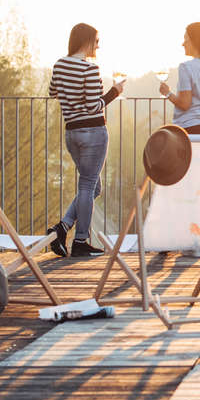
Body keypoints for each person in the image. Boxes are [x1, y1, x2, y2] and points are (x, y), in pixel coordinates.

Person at [46, 22, 124, 257]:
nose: (98, 46)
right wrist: (114, 92)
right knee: (89, 185)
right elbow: (93, 105)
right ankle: (80, 241)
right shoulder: (90, 69)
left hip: (72, 132)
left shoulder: (59, 65)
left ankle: (62, 228)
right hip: (93, 132)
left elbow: (52, 92)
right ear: (86, 41)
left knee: (92, 186)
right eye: (96, 41)